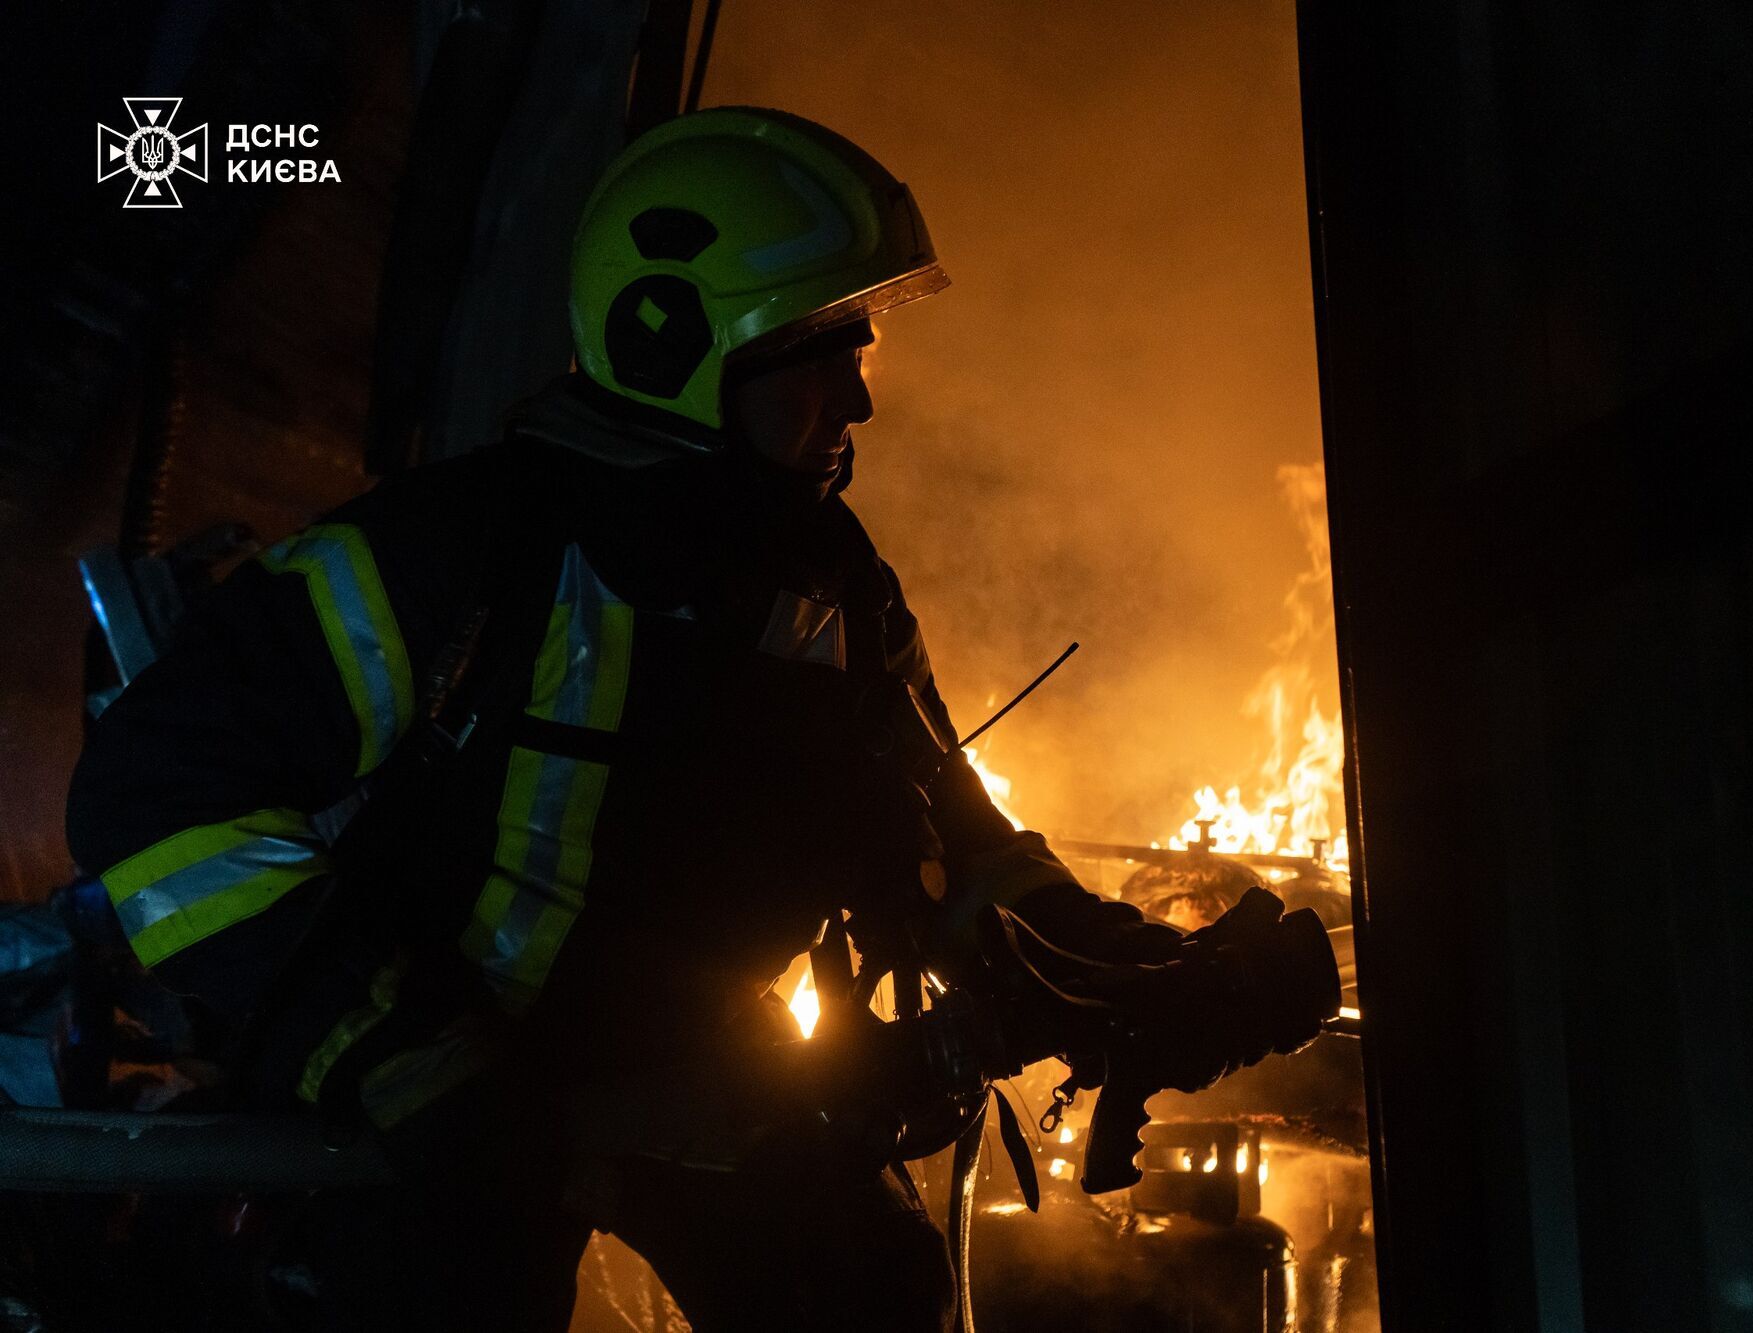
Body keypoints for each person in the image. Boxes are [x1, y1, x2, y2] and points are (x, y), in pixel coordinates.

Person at [64, 107, 1228, 1331]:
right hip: (428, 1089)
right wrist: (396, 1052)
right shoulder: (453, 555)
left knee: (867, 1290)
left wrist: (1118, 958)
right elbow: (155, 802)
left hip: (696, 1069)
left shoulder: (828, 582)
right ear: (673, 339)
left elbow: (952, 828)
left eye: (864, 344)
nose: (858, 398)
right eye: (823, 345)